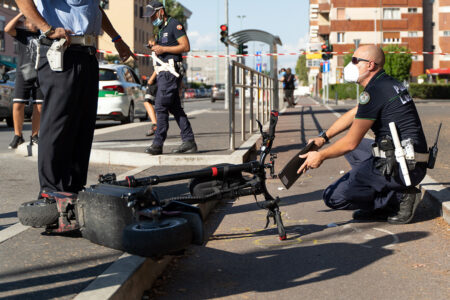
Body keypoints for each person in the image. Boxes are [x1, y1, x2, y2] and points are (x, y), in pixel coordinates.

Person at [297, 45, 428, 224]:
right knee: (352, 149)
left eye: (355, 61)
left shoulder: (375, 91)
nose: (351, 65)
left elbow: (350, 142)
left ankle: (399, 197)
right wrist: (324, 137)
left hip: (403, 167)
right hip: (411, 160)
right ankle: (387, 193)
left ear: (370, 65)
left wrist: (320, 156)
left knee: (333, 197)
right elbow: (354, 114)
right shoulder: (386, 83)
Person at [16, 0, 135, 197]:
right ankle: (51, 194)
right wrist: (47, 29)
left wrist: (117, 39)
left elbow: (93, 9)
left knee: (83, 126)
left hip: (87, 54)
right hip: (61, 52)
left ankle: (74, 192)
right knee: (58, 126)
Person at [143, 0, 197, 155]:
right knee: (175, 108)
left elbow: (185, 46)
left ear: (161, 11)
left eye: (153, 16)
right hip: (163, 72)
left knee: (160, 106)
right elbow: (161, 48)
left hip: (170, 71)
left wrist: (163, 48)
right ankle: (189, 141)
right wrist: (153, 43)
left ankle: (158, 144)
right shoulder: (161, 28)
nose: (152, 19)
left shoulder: (174, 25)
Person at [5, 12, 43, 149]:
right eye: (29, 22)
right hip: (24, 72)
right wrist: (22, 13)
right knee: (18, 104)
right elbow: (7, 29)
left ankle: (34, 135)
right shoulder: (22, 34)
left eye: (34, 21)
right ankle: (18, 135)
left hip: (41, 72)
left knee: (39, 106)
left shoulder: (43, 33)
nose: (32, 24)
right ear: (26, 23)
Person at [143, 71, 158, 136]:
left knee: (147, 101)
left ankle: (155, 126)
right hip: (167, 77)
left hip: (158, 77)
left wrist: (152, 78)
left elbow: (160, 64)